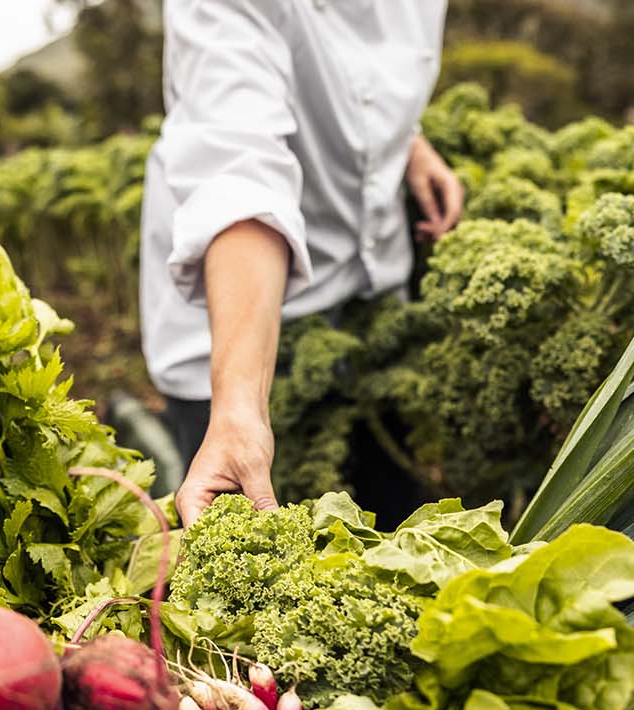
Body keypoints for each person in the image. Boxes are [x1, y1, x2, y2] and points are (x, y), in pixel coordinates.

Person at [139, 0, 464, 525]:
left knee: (393, 511)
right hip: (238, 321)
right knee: (265, 559)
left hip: (369, 290)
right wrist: (240, 410)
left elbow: (359, 71)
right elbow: (240, 175)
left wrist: (407, 142)